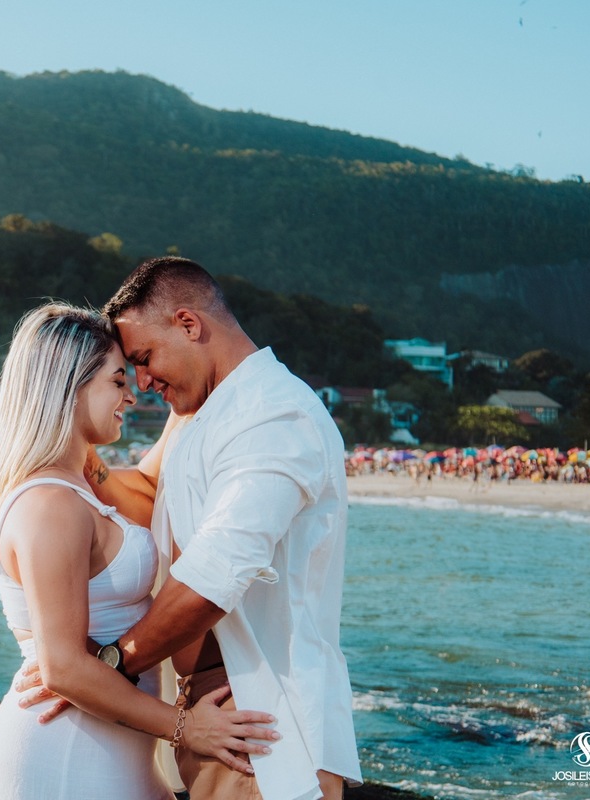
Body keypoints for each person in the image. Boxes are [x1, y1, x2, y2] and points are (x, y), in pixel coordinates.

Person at [21, 258, 363, 800]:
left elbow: (213, 578)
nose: (142, 382)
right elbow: (150, 498)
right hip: (210, 710)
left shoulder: (274, 417)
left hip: (259, 716)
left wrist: (109, 664)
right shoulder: (199, 415)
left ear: (188, 324)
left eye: (144, 359)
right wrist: (74, 451)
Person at [0, 302, 278, 800]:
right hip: (67, 750)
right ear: (69, 386)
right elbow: (64, 667)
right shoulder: (50, 504)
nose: (132, 395)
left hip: (109, 749)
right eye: (117, 381)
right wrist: (186, 728)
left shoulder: (76, 488)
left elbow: (148, 487)